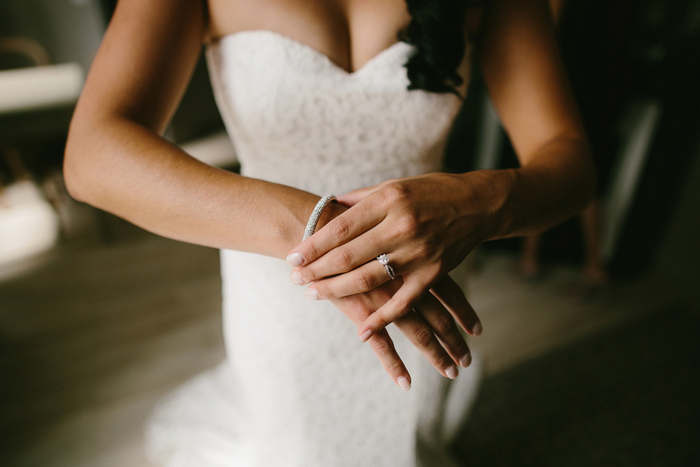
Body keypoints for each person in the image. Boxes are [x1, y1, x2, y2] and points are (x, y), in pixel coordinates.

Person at [63, 0, 595, 465]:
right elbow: (91, 156)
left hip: (419, 277)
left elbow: (571, 163)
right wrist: (317, 226)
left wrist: (478, 203)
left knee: (399, 442)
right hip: (282, 287)